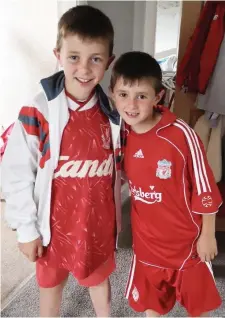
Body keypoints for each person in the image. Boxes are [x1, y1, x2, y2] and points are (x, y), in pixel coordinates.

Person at [1, 5, 123, 317]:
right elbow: (16, 174)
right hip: (52, 229)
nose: (84, 68)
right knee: (51, 287)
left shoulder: (114, 112)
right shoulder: (38, 109)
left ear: (108, 62)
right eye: (74, 57)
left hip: (96, 225)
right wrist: (26, 230)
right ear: (58, 55)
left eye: (95, 59)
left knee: (99, 282)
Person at [109, 51, 222, 317]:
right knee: (151, 308)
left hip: (187, 245)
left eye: (142, 96)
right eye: (123, 94)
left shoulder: (181, 135)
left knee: (198, 309)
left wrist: (208, 234)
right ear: (113, 93)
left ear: (158, 97)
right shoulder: (119, 133)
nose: (131, 105)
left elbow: (206, 187)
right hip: (147, 245)